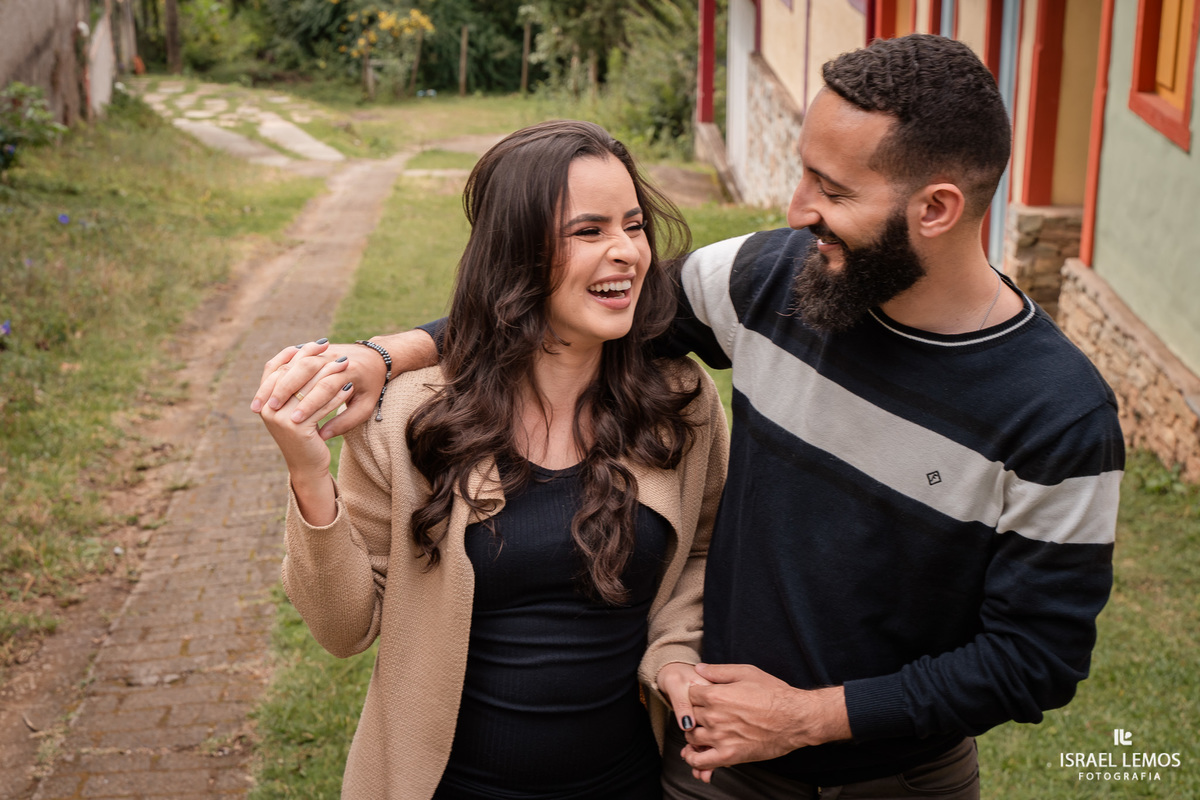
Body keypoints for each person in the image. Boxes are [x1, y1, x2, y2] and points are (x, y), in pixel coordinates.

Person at [255, 35, 1124, 800]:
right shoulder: (772, 282)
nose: (795, 212)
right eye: (802, 173)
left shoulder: (1056, 415)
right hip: (718, 774)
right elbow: (562, 307)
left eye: (831, 188)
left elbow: (1034, 660)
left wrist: (806, 716)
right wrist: (386, 354)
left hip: (900, 782)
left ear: (935, 209)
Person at [255, 120, 729, 800]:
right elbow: (344, 628)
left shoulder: (678, 401)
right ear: (518, 255)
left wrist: (678, 655)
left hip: (628, 783)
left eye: (633, 226)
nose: (627, 252)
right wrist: (308, 475)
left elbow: (706, 552)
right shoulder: (407, 418)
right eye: (589, 232)